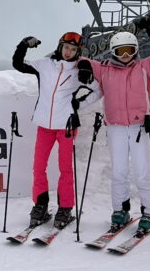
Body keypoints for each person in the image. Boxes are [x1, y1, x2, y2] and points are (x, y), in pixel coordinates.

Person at [82, 17, 150, 235]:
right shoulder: (104, 70)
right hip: (115, 127)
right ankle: (120, 210)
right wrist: (83, 64)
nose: (125, 56)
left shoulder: (143, 68)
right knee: (118, 171)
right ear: (113, 51)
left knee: (142, 172)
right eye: (121, 51)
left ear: (135, 51)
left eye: (129, 51)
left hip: (140, 127)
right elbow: (80, 60)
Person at [13, 31, 102, 228]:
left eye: (73, 49)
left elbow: (98, 90)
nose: (68, 52)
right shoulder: (44, 66)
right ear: (60, 46)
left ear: (77, 51)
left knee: (65, 169)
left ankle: (65, 208)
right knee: (38, 167)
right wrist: (23, 45)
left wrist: (79, 104)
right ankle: (40, 205)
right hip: (44, 124)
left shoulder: (79, 70)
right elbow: (18, 65)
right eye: (66, 47)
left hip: (66, 126)